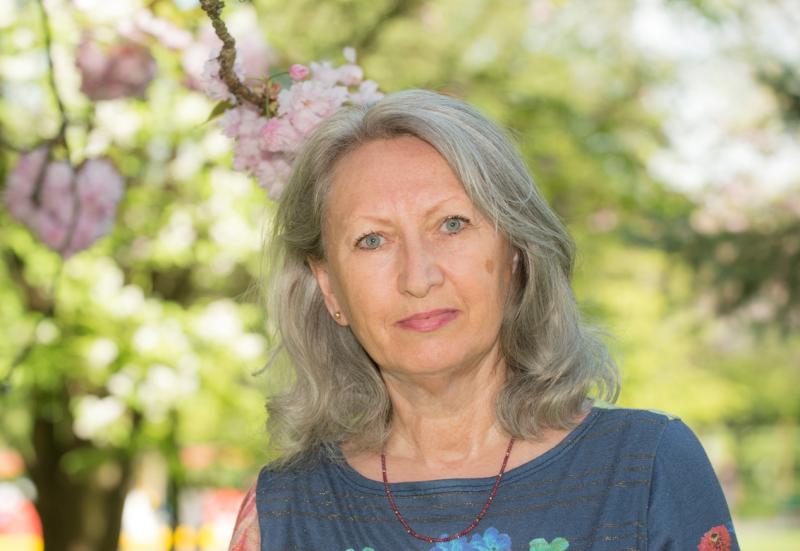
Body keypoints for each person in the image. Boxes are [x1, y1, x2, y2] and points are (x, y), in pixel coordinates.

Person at [228, 90, 739, 551]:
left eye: (452, 224)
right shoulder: (283, 511)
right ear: (329, 286)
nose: (418, 277)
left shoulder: (647, 470)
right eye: (373, 240)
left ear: (515, 253)